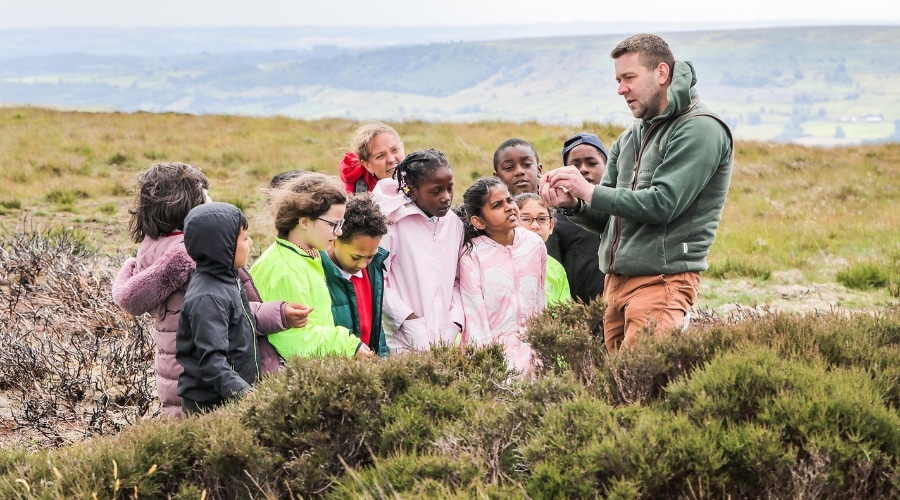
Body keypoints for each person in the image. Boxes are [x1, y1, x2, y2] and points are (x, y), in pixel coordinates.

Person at [541, 33, 734, 351]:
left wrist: (587, 190)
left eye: (629, 77)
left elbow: (663, 204)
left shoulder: (701, 128)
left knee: (641, 385)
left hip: (662, 281)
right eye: (618, 79)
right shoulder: (629, 138)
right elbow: (608, 218)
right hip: (614, 284)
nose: (621, 89)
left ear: (661, 73)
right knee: (619, 389)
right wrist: (574, 204)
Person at [112, 162, 308, 417]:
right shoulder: (198, 257)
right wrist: (278, 314)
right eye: (205, 197)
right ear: (188, 208)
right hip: (209, 378)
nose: (212, 200)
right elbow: (227, 313)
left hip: (177, 369)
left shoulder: (151, 246)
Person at [250, 173, 374, 359]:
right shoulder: (284, 270)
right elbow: (295, 341)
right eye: (334, 224)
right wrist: (347, 346)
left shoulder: (306, 256)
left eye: (341, 224)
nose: (339, 232)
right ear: (304, 221)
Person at [371, 148, 465, 353]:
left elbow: (459, 279)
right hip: (402, 341)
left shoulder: (454, 224)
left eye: (450, 188)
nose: (446, 197)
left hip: (447, 340)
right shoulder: (392, 224)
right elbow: (377, 279)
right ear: (412, 191)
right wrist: (408, 320)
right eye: (436, 191)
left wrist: (455, 322)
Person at [175, 202, 263, 414]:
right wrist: (248, 396)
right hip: (212, 406)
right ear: (223, 245)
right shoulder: (208, 297)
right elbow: (213, 363)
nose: (250, 242)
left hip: (230, 395)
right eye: (244, 238)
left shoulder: (226, 279)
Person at [458, 177, 546, 375]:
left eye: (509, 200)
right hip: (494, 354)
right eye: (497, 205)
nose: (508, 207)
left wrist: (543, 344)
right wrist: (486, 363)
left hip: (532, 349)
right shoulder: (472, 256)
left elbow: (540, 298)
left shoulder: (534, 244)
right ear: (478, 221)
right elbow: (475, 317)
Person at [322, 193, 391, 357]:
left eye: (370, 256)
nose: (362, 265)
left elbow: (377, 331)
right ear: (335, 239)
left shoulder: (373, 270)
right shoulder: (318, 274)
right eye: (356, 257)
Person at [547, 132, 608, 304]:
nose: (583, 169)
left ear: (608, 167)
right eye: (575, 165)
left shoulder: (621, 211)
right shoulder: (557, 221)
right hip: (578, 317)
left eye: (592, 163)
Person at [514, 192, 570, 306]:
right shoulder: (499, 264)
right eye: (525, 219)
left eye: (542, 219)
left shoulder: (557, 268)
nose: (535, 226)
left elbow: (565, 313)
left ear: (551, 226)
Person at [339, 121, 405, 194]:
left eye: (395, 149)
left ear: (402, 148)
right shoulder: (353, 195)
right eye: (380, 156)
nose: (391, 159)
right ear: (367, 165)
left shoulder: (418, 177)